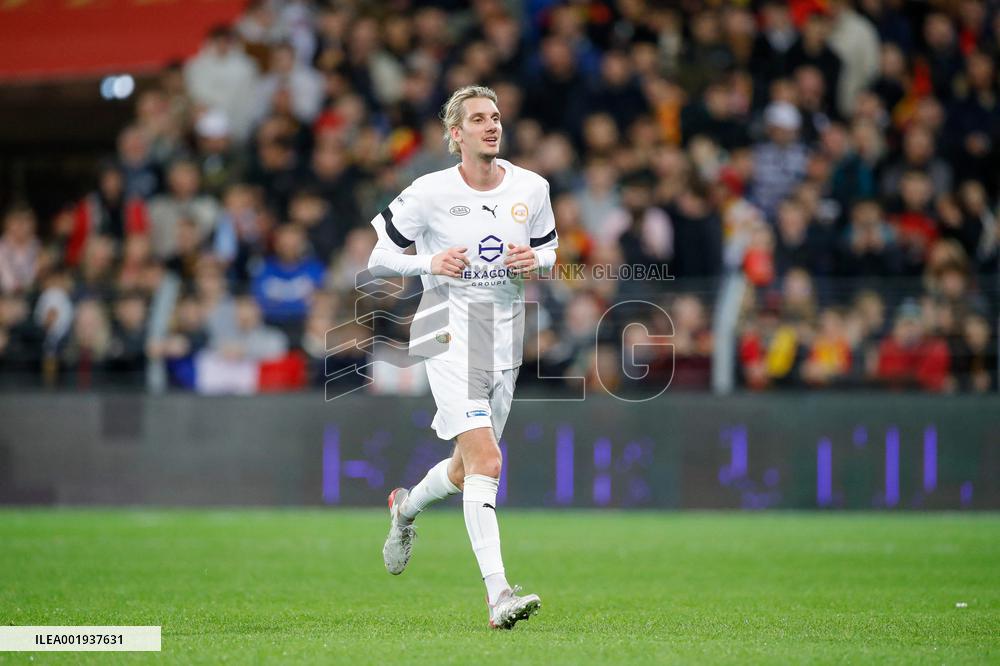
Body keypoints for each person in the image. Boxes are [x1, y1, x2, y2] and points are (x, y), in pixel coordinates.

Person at [367, 85, 557, 629]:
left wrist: (535, 260)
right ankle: (498, 595)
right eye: (478, 119)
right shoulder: (428, 192)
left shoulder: (533, 187)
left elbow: (551, 251)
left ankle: (404, 508)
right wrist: (429, 262)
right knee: (489, 463)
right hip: (445, 331)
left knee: (464, 468)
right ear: (456, 135)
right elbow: (379, 255)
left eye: (495, 117)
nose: (491, 126)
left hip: (505, 335)